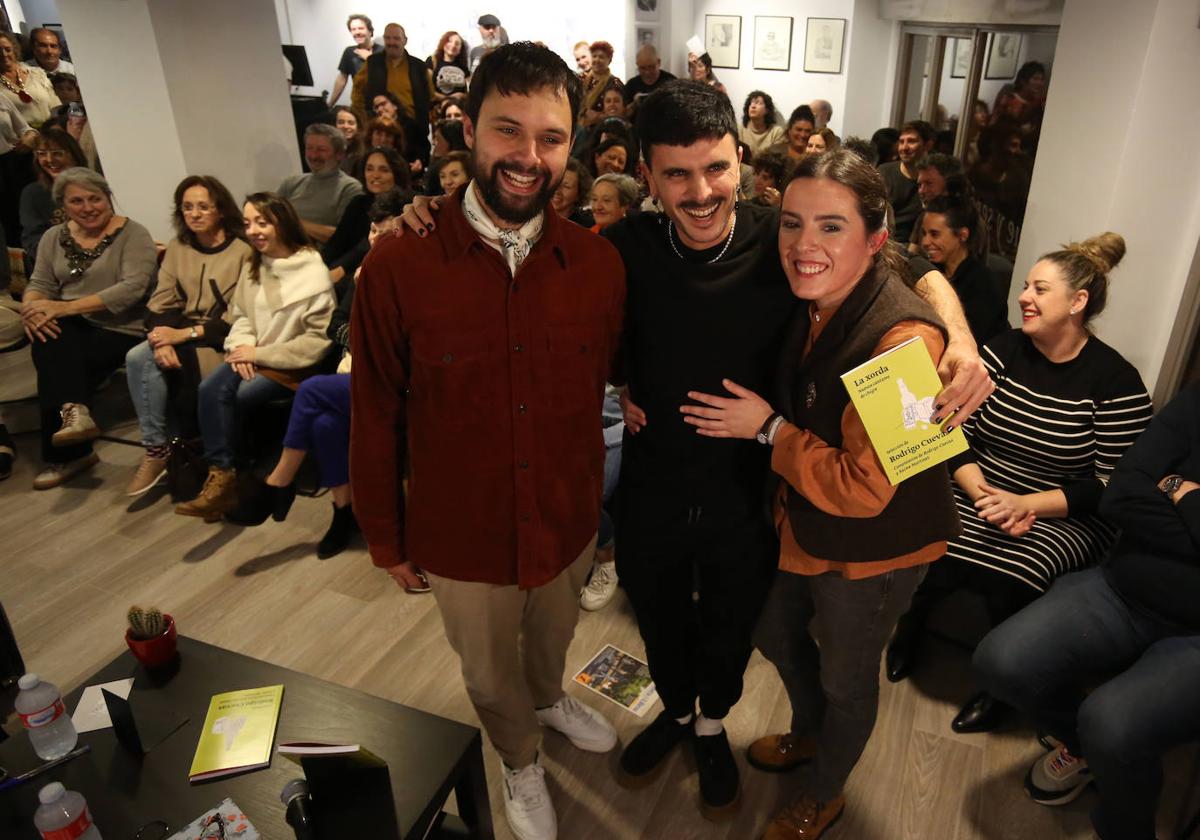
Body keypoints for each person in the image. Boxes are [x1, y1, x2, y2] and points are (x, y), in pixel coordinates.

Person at [605, 81, 993, 822]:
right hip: (771, 508)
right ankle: (735, 725)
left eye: (715, 168)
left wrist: (959, 332)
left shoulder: (879, 316)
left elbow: (912, 274)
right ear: (648, 179)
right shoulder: (663, 251)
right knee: (750, 629)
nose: (699, 191)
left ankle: (802, 775)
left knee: (838, 671)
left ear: (742, 165)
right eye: (676, 175)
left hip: (852, 526)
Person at [349, 43, 623, 840]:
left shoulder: (600, 265)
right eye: (509, 131)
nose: (530, 157)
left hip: (567, 514)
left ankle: (549, 698)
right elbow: (374, 411)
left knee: (554, 639)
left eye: (552, 137)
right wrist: (385, 536)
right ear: (466, 128)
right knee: (487, 669)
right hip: (461, 529)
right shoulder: (399, 262)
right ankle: (519, 757)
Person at [674, 148, 960, 840]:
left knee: (848, 681)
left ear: (875, 238)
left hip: (880, 548)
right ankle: (811, 734)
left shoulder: (904, 344)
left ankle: (826, 791)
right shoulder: (815, 295)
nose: (805, 245)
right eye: (793, 224)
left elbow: (869, 493)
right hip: (807, 523)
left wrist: (768, 430)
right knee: (773, 629)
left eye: (831, 227)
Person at [886, 233, 1153, 735]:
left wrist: (1027, 503)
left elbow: (1115, 483)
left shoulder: (1116, 382)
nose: (1024, 297)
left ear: (1077, 303)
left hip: (1062, 506)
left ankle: (1002, 677)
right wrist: (979, 491)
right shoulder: (1003, 350)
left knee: (1020, 569)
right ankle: (913, 620)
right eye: (1025, 286)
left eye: (1039, 289)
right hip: (980, 480)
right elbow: (951, 425)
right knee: (927, 529)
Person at [974, 380, 1200, 839]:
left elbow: (1145, 490)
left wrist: (1177, 490)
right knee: (1000, 661)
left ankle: (1125, 827)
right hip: (1123, 588)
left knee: (1112, 723)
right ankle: (1082, 748)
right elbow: (1121, 492)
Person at [248, 190, 411, 560]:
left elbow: (402, 343)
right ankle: (344, 515)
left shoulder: (413, 278)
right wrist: (361, 329)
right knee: (323, 423)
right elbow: (336, 326)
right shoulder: (365, 269)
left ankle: (280, 482)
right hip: (357, 375)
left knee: (310, 391)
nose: (374, 239)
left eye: (385, 234)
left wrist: (367, 332)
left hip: (399, 385)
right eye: (372, 230)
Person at [176, 193, 334, 521]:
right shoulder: (255, 263)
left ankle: (248, 478)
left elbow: (316, 342)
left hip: (291, 366)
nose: (253, 231)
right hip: (253, 353)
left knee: (240, 396)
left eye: (262, 223)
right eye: (248, 223)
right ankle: (221, 476)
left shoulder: (311, 270)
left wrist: (260, 353)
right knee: (210, 389)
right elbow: (242, 315)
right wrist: (241, 348)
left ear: (282, 223)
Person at [21, 168, 156, 490]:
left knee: (54, 350)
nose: (87, 207)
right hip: (71, 324)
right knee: (49, 336)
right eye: (77, 201)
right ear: (63, 206)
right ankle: (75, 412)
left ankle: (70, 453)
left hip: (124, 326)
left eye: (94, 198)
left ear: (107, 198)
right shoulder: (54, 237)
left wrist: (63, 307)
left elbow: (132, 289)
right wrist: (31, 309)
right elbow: (39, 282)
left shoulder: (134, 234)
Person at [123, 175, 253, 496]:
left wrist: (179, 336)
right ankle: (157, 449)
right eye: (187, 207)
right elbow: (160, 301)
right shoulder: (179, 248)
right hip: (179, 330)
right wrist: (161, 337)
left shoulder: (243, 251)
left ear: (220, 210)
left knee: (180, 361)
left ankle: (200, 458)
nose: (194, 214)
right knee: (137, 356)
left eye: (203, 207)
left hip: (218, 338)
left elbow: (238, 317)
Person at [919, 195, 1008, 343]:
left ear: (962, 235)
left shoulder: (984, 285)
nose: (925, 242)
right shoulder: (930, 272)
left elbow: (970, 340)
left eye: (934, 234)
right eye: (924, 233)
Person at [323, 145, 411, 288]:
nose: (375, 175)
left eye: (383, 170)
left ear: (396, 173)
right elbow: (337, 242)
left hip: (382, 271)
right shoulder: (358, 203)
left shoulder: (406, 206)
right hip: (348, 267)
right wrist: (319, 267)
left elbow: (367, 246)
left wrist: (341, 268)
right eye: (369, 169)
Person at [351, 23, 433, 167]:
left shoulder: (419, 66)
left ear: (405, 40)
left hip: (412, 131)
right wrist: (363, 120)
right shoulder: (372, 63)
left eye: (396, 38)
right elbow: (357, 93)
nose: (391, 42)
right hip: (380, 128)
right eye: (388, 38)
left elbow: (430, 96)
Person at [277, 123, 364, 244]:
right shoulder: (291, 183)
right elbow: (272, 219)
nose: (313, 155)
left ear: (339, 154)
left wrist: (294, 223)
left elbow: (344, 237)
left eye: (321, 150)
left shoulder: (350, 188)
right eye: (309, 148)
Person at [19, 127, 86, 269]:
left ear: (73, 154)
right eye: (42, 154)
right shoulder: (33, 193)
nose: (49, 160)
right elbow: (32, 241)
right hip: (58, 268)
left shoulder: (94, 185)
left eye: (57, 153)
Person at [879, 120, 935, 243]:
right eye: (901, 141)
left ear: (928, 145)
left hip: (919, 246)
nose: (904, 148)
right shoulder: (884, 172)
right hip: (886, 242)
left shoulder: (934, 179)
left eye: (911, 141)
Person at [0, 32, 60, 129]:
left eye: (8, 49)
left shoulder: (37, 74)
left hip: (50, 133)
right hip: (19, 140)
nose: (4, 54)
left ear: (14, 50)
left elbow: (56, 106)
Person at [0, 92, 37, 246]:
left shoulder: (1, 97)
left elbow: (26, 129)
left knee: (23, 220)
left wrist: (29, 138)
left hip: (13, 163)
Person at [328, 14, 381, 108]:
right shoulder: (349, 52)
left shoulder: (383, 51)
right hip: (359, 106)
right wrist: (330, 104)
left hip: (380, 107)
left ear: (370, 31)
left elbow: (390, 79)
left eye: (361, 28)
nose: (357, 32)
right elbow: (342, 79)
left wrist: (370, 59)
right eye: (353, 29)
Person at [624, 45, 675, 119]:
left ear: (659, 62)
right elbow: (623, 115)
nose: (647, 72)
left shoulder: (671, 82)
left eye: (651, 67)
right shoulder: (631, 85)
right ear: (637, 65)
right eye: (642, 68)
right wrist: (634, 104)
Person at [580, 41, 618, 127]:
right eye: (594, 56)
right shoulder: (580, 79)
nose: (597, 60)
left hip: (602, 130)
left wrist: (599, 117)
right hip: (577, 130)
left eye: (601, 57)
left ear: (609, 60)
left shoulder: (614, 83)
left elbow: (619, 113)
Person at [738, 91, 784, 161]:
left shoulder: (776, 132)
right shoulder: (740, 129)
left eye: (758, 103)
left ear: (767, 110)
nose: (753, 106)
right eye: (751, 103)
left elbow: (775, 161)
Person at [427, 31, 470, 103]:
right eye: (449, 41)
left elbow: (470, 92)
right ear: (443, 43)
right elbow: (426, 87)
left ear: (461, 49)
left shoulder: (463, 66)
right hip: (438, 108)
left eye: (457, 44)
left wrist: (462, 96)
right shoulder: (432, 61)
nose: (453, 46)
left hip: (458, 109)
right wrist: (445, 99)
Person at [551, 157, 593, 227]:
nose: (557, 190)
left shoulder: (587, 226)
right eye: (555, 183)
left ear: (579, 194)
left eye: (566, 186)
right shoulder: (531, 217)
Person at [332, 105, 365, 172]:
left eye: (351, 123)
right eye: (341, 122)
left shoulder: (363, 151)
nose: (346, 126)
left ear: (358, 127)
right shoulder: (328, 150)